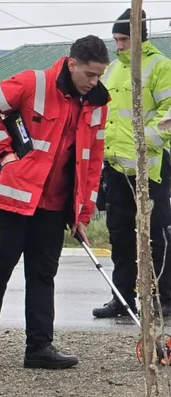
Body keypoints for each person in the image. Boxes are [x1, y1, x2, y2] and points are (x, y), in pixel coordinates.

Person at [0, 35, 111, 371]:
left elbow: (92, 161)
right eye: (89, 75)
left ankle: (39, 347)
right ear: (72, 63)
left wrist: (83, 214)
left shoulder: (97, 105)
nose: (94, 82)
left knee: (43, 275)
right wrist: (3, 153)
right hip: (15, 200)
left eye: (99, 76)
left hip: (54, 206)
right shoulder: (35, 82)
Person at [92, 9, 171, 320]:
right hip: (115, 167)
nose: (118, 45)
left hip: (150, 167)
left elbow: (169, 111)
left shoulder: (160, 66)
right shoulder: (111, 71)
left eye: (123, 39)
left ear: (139, 36)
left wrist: (144, 143)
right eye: (115, 40)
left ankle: (165, 297)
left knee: (157, 233)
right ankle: (122, 298)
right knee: (120, 235)